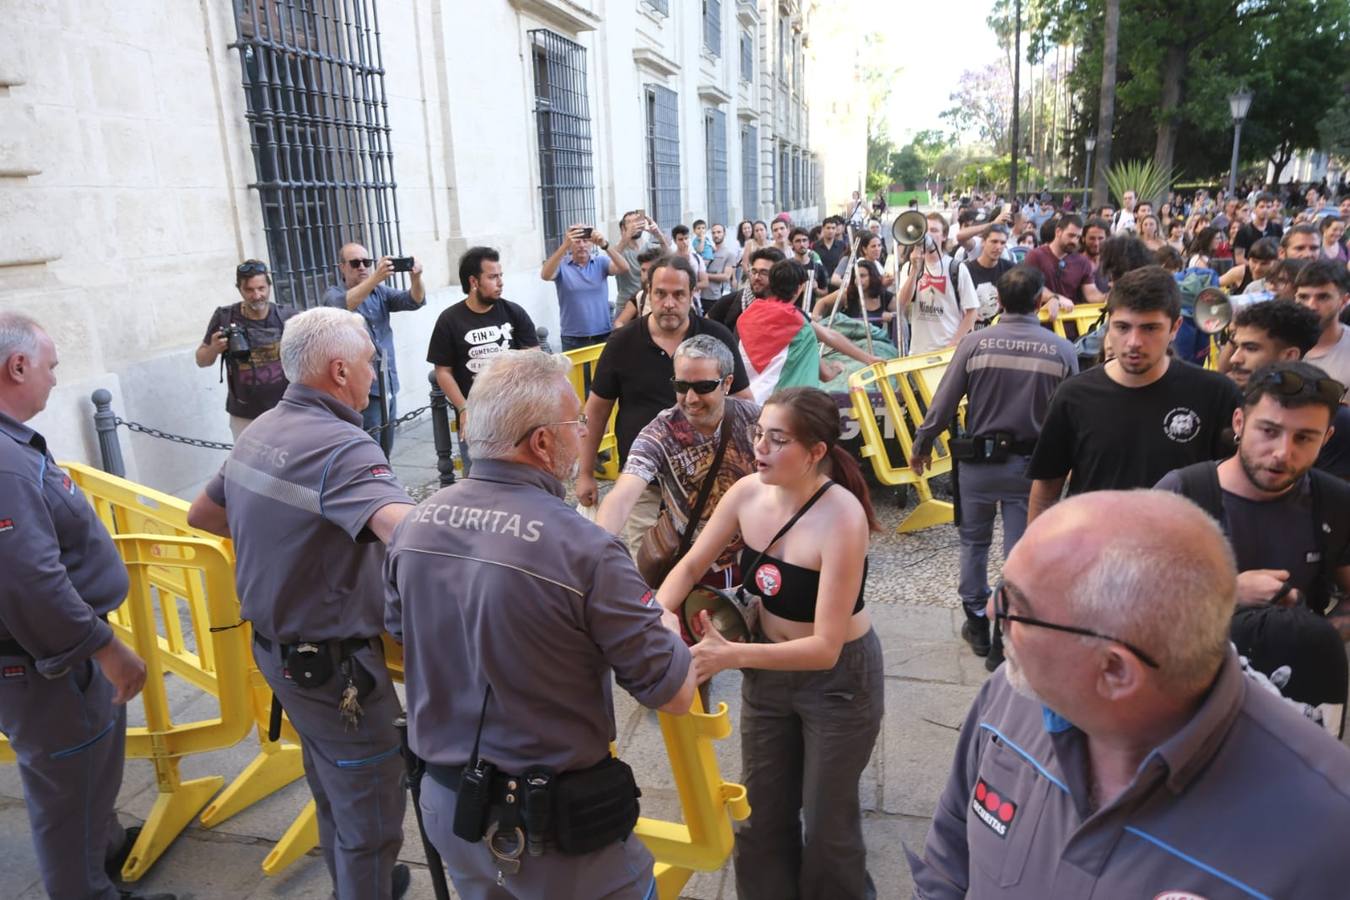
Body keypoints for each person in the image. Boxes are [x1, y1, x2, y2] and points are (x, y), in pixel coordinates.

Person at [909, 489, 1350, 899]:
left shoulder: (1326, 841)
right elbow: (949, 859)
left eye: (1015, 607)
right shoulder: (1008, 700)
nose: (990, 611)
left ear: (1115, 671)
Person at [385, 350, 695, 900]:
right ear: (542, 443)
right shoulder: (586, 550)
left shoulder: (415, 524)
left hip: (449, 806)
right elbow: (671, 692)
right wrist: (666, 623)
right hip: (556, 837)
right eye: (576, 422)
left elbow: (401, 632)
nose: (585, 435)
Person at [186, 307, 416, 900]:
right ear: (340, 371)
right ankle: (362, 884)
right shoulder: (342, 446)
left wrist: (292, 544)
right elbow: (417, 538)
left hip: (281, 652)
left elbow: (204, 514)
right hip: (333, 665)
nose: (374, 371)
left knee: (332, 778)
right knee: (370, 802)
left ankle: (354, 880)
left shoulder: (262, 427)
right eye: (370, 360)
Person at [655, 387, 884, 900]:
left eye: (777, 440)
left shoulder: (842, 517)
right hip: (768, 673)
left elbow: (825, 646)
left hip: (839, 681)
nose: (760, 447)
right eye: (759, 434)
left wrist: (730, 655)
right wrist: (662, 613)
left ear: (816, 452)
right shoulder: (746, 494)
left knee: (828, 825)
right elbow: (690, 565)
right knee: (759, 813)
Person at [0, 313, 174, 900]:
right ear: (16, 366)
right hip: (48, 667)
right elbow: (29, 581)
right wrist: (103, 649)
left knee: (86, 791)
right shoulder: (3, 461)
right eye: (50, 367)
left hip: (52, 658)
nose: (54, 379)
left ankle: (99, 873)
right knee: (68, 805)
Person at [911, 266, 1078, 668]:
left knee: (974, 543)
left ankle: (976, 620)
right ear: (1040, 301)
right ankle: (1008, 626)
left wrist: (921, 444)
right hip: (1033, 471)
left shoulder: (974, 344)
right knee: (1021, 550)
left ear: (998, 302)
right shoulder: (1061, 350)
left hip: (977, 465)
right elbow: (1074, 416)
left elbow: (943, 404)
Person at [1156, 359, 1350, 664]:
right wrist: (1226, 594)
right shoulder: (1182, 493)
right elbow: (1128, 600)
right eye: (1269, 431)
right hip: (1191, 681)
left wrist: (1316, 638)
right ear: (1239, 423)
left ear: (1326, 439)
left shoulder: (1335, 501)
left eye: (1304, 437)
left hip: (1294, 691)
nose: (1283, 452)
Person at [1026, 266, 1243, 522]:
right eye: (1122, 327)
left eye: (1150, 329)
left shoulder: (1215, 393)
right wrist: (1037, 555)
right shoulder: (1073, 396)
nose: (1134, 342)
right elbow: (1046, 489)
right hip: (1097, 554)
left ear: (1175, 327)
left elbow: (1238, 486)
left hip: (1183, 554)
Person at [575, 256, 751, 554]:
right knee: (647, 566)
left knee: (705, 567)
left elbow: (743, 404)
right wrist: (585, 473)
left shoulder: (715, 338)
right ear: (648, 293)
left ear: (693, 293)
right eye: (660, 293)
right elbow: (596, 410)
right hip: (644, 484)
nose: (669, 302)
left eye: (678, 294)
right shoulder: (622, 343)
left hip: (709, 483)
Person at [597, 335, 759, 591]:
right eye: (681, 386)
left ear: (727, 383)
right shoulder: (660, 434)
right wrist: (596, 550)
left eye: (704, 386)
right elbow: (623, 495)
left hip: (754, 555)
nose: (691, 398)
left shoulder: (752, 418)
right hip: (693, 567)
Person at [426, 246, 540, 474]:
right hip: (476, 419)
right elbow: (443, 371)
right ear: (473, 282)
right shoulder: (449, 320)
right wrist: (463, 407)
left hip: (515, 415)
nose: (500, 282)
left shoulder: (513, 312)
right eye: (492, 277)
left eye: (501, 276)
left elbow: (536, 358)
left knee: (521, 478)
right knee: (479, 481)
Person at [1216, 299, 1350, 478]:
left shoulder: (1336, 419)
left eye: (1251, 348)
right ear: (1238, 421)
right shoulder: (1218, 400)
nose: (1235, 359)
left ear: (1289, 356)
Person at [325, 241, 427, 455]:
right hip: (362, 389)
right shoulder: (334, 294)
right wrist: (375, 277)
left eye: (366, 262)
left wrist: (416, 278)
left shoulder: (379, 292)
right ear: (342, 267)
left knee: (386, 446)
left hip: (387, 381)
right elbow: (343, 306)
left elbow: (414, 301)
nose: (362, 267)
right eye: (355, 263)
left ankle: (384, 482)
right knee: (368, 448)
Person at [196, 260, 296, 440]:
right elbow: (201, 360)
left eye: (261, 288)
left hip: (286, 410)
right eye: (249, 290)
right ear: (239, 289)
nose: (257, 295)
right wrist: (214, 349)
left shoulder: (287, 316)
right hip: (244, 415)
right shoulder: (225, 317)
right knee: (248, 467)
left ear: (269, 286)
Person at [897, 213, 980, 354]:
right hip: (918, 352)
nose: (928, 234)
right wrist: (914, 270)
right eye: (924, 230)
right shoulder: (909, 267)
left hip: (948, 352)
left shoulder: (957, 268)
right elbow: (901, 304)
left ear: (944, 236)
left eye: (934, 230)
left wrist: (953, 345)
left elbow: (972, 312)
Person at [541, 222, 631, 351]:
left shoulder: (600, 262)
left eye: (585, 240)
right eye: (577, 241)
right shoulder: (562, 265)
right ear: (570, 244)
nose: (582, 245)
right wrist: (563, 246)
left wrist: (604, 245)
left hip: (602, 334)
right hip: (572, 337)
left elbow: (624, 267)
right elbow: (545, 275)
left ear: (591, 243)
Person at [1024, 215, 1106, 311]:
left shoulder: (1082, 262)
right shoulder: (1035, 255)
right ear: (1058, 232)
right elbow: (1031, 288)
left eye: (1078, 237)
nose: (1074, 241)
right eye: (1071, 235)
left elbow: (1091, 293)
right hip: (1042, 319)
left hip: (1071, 320)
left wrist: (1107, 298)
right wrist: (1055, 297)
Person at [1295, 258, 1350, 386]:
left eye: (1323, 297)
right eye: (1303, 297)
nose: (1311, 305)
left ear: (1344, 300)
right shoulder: (1277, 342)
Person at [963, 225, 1016, 327]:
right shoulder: (965, 270)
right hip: (972, 331)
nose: (998, 247)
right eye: (994, 241)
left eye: (1002, 243)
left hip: (1001, 331)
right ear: (983, 242)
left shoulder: (1011, 269)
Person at [614, 210, 671, 305]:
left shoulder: (651, 247)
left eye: (637, 221)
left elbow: (671, 257)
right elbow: (610, 261)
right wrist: (626, 237)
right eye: (629, 222)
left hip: (648, 303)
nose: (634, 225)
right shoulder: (620, 248)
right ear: (623, 228)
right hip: (625, 304)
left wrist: (658, 234)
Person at [1234, 191, 1285, 264]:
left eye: (1268, 207)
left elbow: (1282, 252)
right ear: (1255, 209)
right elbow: (1239, 259)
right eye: (1261, 207)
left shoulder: (1277, 229)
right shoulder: (1243, 231)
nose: (1265, 210)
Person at [671, 224, 711, 306]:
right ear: (675, 241)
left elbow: (705, 282)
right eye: (680, 239)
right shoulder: (670, 259)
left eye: (686, 238)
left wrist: (689, 287)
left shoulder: (697, 258)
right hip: (675, 303)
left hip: (694, 303)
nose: (684, 242)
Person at [702, 223, 737, 310]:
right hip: (700, 295)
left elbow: (726, 277)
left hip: (715, 297)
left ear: (724, 234)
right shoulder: (706, 251)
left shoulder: (729, 254)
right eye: (713, 233)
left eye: (719, 232)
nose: (716, 235)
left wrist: (705, 275)